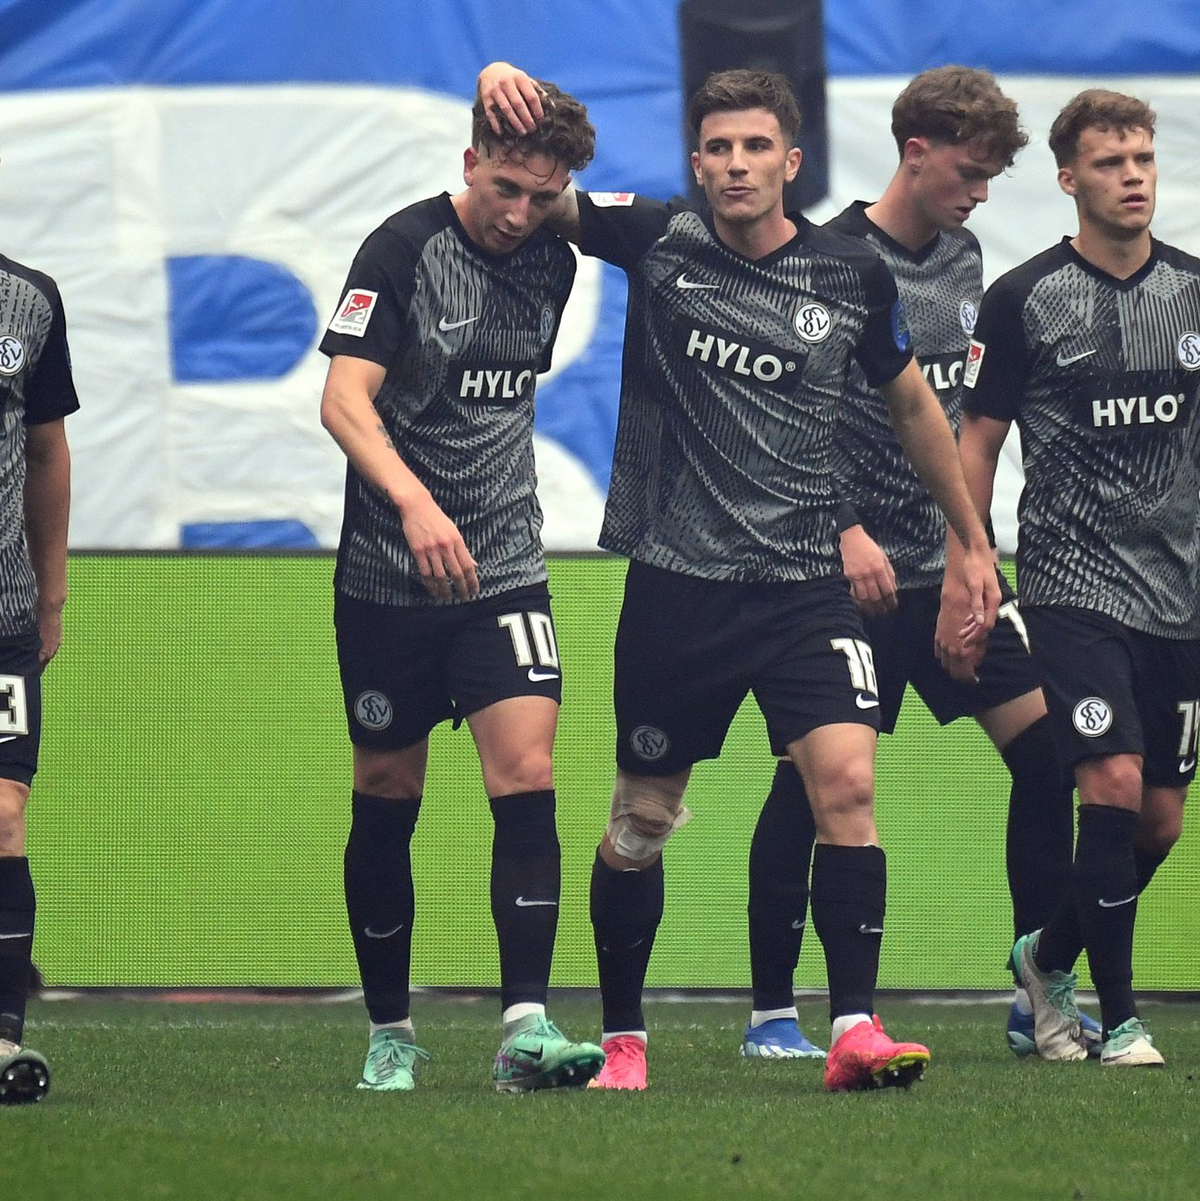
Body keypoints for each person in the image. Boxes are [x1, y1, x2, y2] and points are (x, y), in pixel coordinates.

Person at [480, 62, 999, 1092]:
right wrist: (504, 79)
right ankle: (623, 1038)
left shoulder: (850, 275)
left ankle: (854, 1028)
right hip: (680, 588)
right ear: (697, 161)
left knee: (847, 783)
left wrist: (972, 539)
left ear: (791, 161)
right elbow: (538, 191)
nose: (735, 164)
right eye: (717, 147)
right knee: (641, 821)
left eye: (756, 146)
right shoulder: (658, 239)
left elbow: (911, 406)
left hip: (807, 586)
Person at [741, 67, 1102, 1062]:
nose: (979, 193)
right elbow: (786, 421)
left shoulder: (963, 255)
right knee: (809, 787)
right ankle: (772, 1011)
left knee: (1051, 753)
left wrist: (970, 550)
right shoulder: (826, 260)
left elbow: (953, 422)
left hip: (949, 568)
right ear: (914, 153)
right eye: (968, 172)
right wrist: (844, 528)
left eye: (990, 177)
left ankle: (1037, 991)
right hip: (843, 574)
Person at [318, 78, 604, 1092]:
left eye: (543, 195)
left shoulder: (557, 257)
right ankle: (390, 1031)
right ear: (470, 160)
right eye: (506, 189)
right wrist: (413, 503)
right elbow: (342, 399)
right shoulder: (400, 250)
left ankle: (525, 1026)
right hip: (389, 575)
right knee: (387, 791)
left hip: (504, 568)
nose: (520, 213)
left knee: (527, 773)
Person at [947, 89, 1200, 1067]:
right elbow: (976, 441)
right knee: (1112, 780)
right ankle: (1120, 1018)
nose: (1132, 177)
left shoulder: (1192, 291)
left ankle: (1047, 955)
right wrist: (973, 559)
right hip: (1070, 584)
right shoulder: (1025, 298)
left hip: (1178, 594)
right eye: (1109, 162)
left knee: (1159, 819)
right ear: (1068, 179)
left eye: (1142, 159)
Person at [0, 248, 78, 1105]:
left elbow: (48, 451)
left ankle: (3, 1037)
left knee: (3, 813)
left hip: (4, 619)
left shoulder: (29, 300)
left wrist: (50, 595)